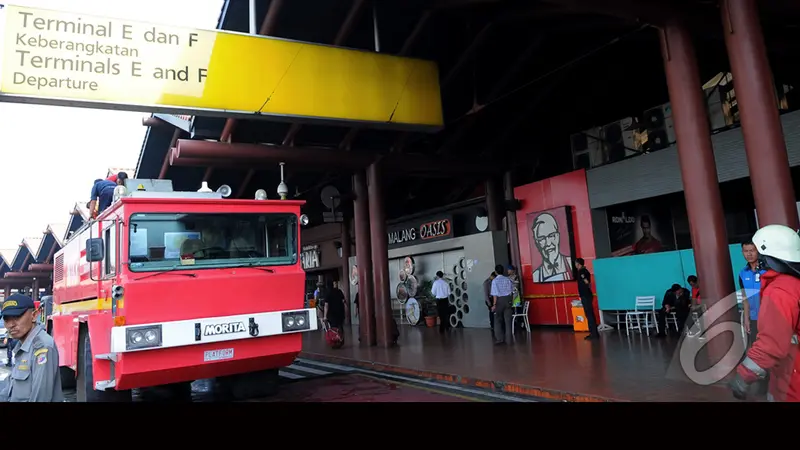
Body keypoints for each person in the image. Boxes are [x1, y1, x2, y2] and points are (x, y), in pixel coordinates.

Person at [729, 225, 800, 402]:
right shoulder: (793, 282)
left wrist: (743, 375)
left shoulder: (780, 288)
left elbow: (772, 342)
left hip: (793, 373)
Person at [0, 293, 64, 402]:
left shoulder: (42, 347)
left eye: (16, 317)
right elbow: (11, 389)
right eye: (6, 319)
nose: (11, 325)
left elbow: (41, 397)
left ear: (34, 316)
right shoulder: (22, 346)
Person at [575, 258, 599, 340]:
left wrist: (584, 279)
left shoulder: (582, 271)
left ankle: (594, 334)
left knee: (589, 314)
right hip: (585, 295)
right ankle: (592, 332)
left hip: (586, 295)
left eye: (576, 263)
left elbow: (587, 282)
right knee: (588, 314)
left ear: (578, 263)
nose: (575, 265)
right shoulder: (582, 271)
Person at [490, 264, 514, 345]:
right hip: (507, 300)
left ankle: (500, 339)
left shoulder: (495, 281)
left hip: (499, 301)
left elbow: (495, 294)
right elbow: (511, 291)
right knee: (508, 321)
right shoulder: (508, 280)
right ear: (503, 271)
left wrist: (494, 305)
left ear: (496, 272)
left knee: (497, 320)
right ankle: (509, 339)